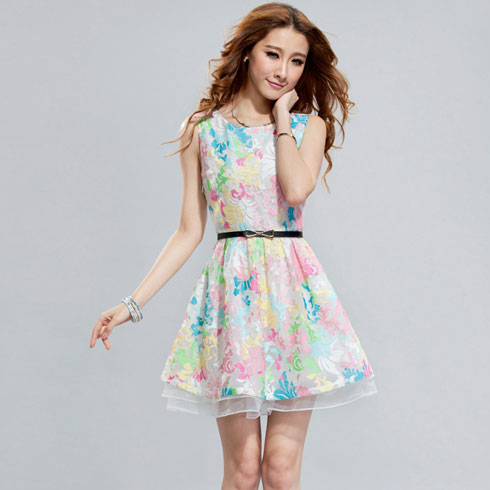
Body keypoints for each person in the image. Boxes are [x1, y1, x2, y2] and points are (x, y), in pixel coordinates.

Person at [90, 2, 378, 488]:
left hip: (293, 300)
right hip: (234, 301)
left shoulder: (308, 127)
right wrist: (130, 304)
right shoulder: (201, 130)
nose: (283, 71)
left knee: (280, 470)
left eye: (297, 61)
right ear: (248, 53)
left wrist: (282, 119)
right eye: (273, 54)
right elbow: (188, 231)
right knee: (243, 472)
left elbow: (296, 190)